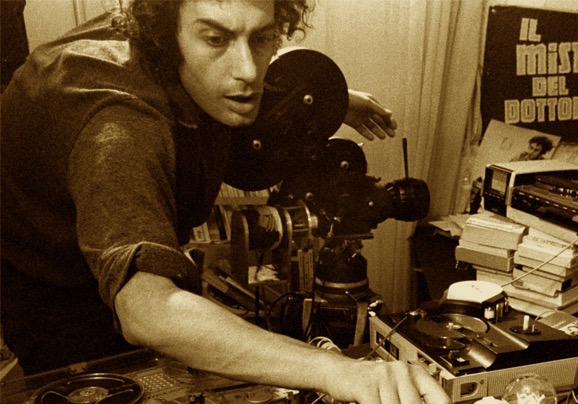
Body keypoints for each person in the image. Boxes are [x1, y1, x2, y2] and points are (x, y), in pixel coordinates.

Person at [0, 1, 450, 403]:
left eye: (262, 38)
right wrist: (340, 371)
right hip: (58, 295)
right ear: (166, 34)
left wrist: (334, 101)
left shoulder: (175, 46)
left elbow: (233, 62)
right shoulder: (120, 129)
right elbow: (148, 312)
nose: (249, 72)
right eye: (216, 39)